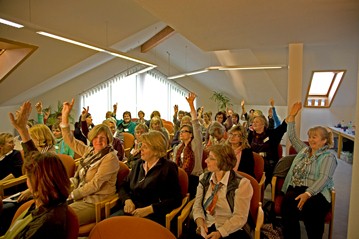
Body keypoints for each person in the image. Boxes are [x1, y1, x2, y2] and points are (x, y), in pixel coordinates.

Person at [4, 101, 71, 238]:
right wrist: (23, 130)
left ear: (42, 182)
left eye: (30, 177)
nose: (27, 181)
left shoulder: (46, 223)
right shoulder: (47, 202)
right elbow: (36, 162)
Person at [281, 102, 337, 239]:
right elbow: (293, 137)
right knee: (287, 204)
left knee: (311, 210)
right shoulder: (305, 150)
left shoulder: (328, 156)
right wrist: (292, 116)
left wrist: (308, 194)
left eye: (314, 137)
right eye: (310, 136)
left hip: (317, 191)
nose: (310, 140)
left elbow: (324, 178)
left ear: (324, 141)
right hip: (298, 186)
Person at [61, 99, 119, 225]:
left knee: (59, 219)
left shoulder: (110, 158)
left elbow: (95, 184)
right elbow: (70, 140)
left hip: (96, 202)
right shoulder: (90, 151)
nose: (99, 141)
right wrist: (65, 117)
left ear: (109, 139)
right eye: (96, 137)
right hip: (80, 196)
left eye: (103, 138)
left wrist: (72, 195)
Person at [112, 131, 182, 226]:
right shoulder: (138, 164)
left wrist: (150, 209)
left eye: (145, 147)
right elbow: (123, 186)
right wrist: (127, 200)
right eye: (141, 145)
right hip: (131, 210)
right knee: (107, 228)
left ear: (156, 150)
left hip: (153, 215)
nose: (141, 149)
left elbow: (175, 199)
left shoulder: (168, 167)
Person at [192, 144, 253, 239]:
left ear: (223, 162)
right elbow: (197, 205)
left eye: (211, 158)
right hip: (207, 225)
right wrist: (200, 222)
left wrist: (220, 232)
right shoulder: (204, 178)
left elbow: (240, 217)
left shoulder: (242, 184)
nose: (205, 160)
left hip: (230, 229)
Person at [172, 92, 203, 199]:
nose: (181, 133)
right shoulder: (178, 148)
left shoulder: (196, 144)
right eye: (180, 131)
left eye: (184, 131)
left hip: (194, 177)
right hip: (180, 177)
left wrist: (191, 105)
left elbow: (195, 123)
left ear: (191, 134)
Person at [248, 112, 288, 186]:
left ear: (263, 124)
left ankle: (258, 190)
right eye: (253, 122)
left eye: (257, 122)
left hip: (268, 165)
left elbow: (282, 128)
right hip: (253, 162)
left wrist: (291, 115)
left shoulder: (271, 134)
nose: (254, 124)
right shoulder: (250, 135)